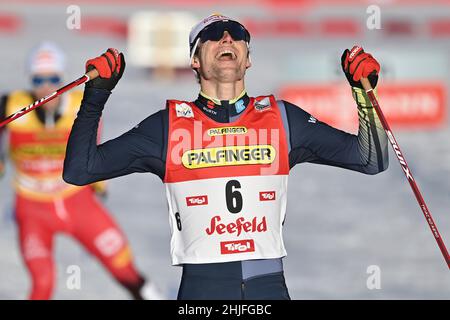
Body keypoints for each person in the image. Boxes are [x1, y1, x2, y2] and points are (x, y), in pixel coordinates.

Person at [63, 14, 389, 300]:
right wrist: (96, 94)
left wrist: (365, 93)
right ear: (194, 60)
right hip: (203, 289)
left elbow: (370, 160)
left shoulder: (283, 119)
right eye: (213, 35)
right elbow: (81, 170)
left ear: (248, 59)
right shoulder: (169, 125)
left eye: (236, 32)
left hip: (267, 287)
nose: (226, 37)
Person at [0, 42, 163, 300]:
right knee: (43, 282)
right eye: (38, 79)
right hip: (32, 210)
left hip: (77, 203)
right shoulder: (11, 106)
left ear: (62, 77)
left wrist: (98, 183)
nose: (46, 86)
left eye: (53, 78)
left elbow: (91, 143)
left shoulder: (79, 104)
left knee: (124, 268)